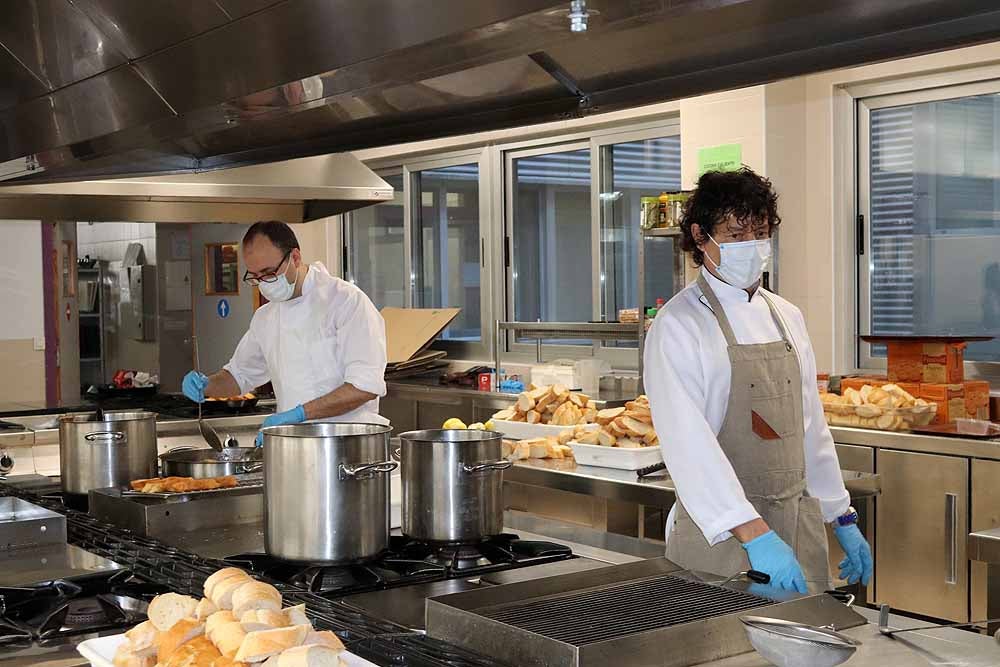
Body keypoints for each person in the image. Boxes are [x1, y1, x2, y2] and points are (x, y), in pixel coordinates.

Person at [643, 168, 872, 594]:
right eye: (735, 235)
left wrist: (841, 515)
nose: (751, 246)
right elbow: (688, 446)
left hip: (796, 526)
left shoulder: (786, 315)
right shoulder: (678, 325)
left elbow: (810, 427)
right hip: (724, 537)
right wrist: (755, 534)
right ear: (699, 236)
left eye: (760, 232)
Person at [182, 221, 388, 442]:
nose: (263, 283)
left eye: (268, 272)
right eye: (255, 276)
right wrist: (207, 385)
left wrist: (299, 415)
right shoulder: (266, 317)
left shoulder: (345, 301)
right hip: (294, 447)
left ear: (295, 258)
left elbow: (364, 387)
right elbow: (239, 376)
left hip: (351, 446)